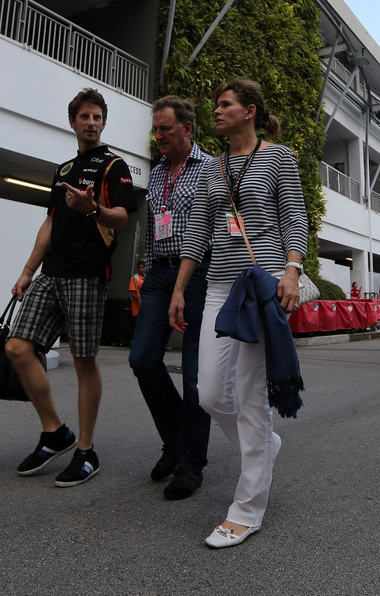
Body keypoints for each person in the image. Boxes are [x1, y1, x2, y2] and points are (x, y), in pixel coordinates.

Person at [169, 78, 308, 549]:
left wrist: (291, 270)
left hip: (259, 283)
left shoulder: (278, 157)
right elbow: (197, 232)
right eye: (215, 105)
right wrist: (181, 287)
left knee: (250, 395)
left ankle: (246, 509)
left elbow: (293, 216)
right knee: (208, 393)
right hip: (217, 288)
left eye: (225, 104)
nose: (217, 110)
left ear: (250, 110)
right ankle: (264, 447)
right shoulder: (212, 168)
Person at [7, 88, 136, 488]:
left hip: (87, 273)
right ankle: (55, 431)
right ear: (73, 122)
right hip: (51, 272)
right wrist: (28, 269)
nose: (91, 123)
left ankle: (85, 449)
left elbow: (121, 219)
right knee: (17, 347)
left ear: (103, 122)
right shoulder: (63, 170)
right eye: (85, 117)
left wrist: (92, 208)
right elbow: (49, 223)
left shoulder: (113, 165)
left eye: (97, 117)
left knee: (83, 361)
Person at [128, 95, 214, 501]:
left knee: (195, 373)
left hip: (198, 273)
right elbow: (153, 223)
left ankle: (190, 463)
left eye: (165, 128)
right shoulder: (159, 170)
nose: (158, 135)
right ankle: (175, 437)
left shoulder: (211, 168)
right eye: (156, 128)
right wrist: (145, 268)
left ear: (187, 129)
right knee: (142, 358)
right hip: (159, 274)